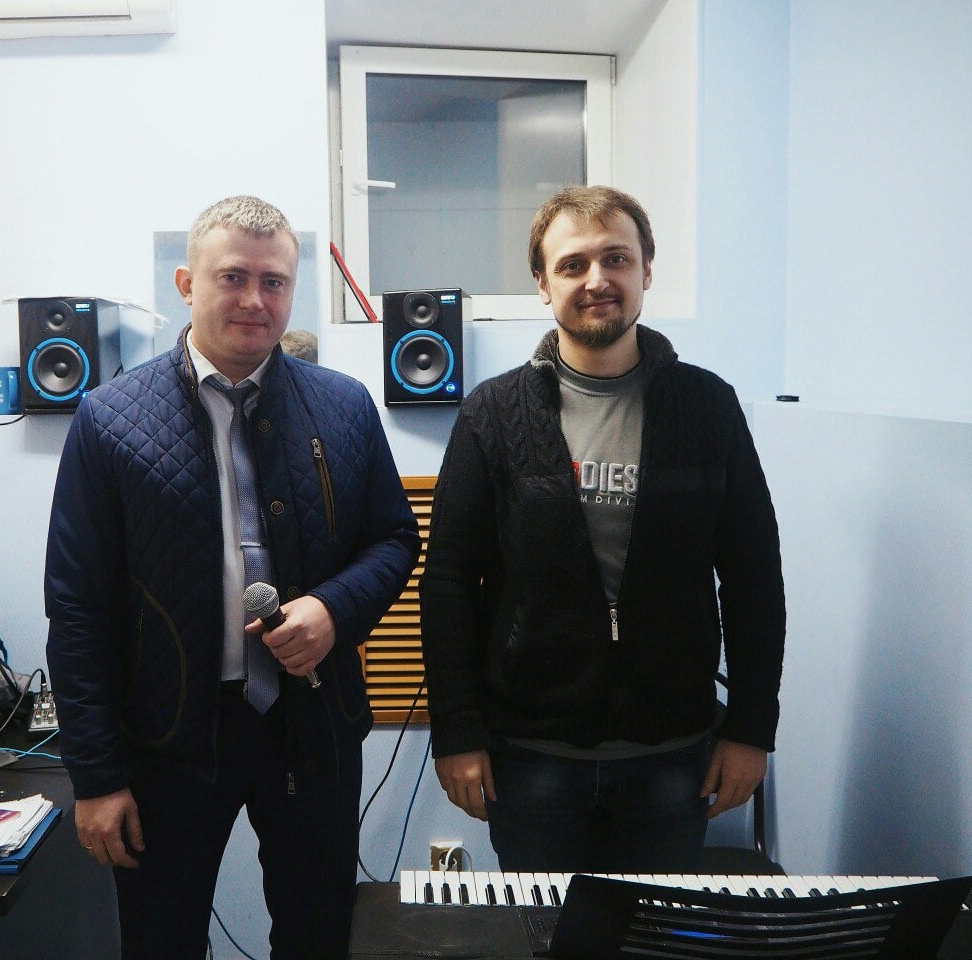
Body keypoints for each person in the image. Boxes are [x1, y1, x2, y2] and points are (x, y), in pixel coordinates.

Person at [44, 195, 419, 959]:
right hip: (168, 739)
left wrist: (332, 610)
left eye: (274, 282)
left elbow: (392, 539)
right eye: (233, 277)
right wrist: (97, 776)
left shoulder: (344, 408)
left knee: (318, 938)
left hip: (311, 727)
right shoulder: (109, 421)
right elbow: (79, 610)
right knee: (162, 942)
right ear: (187, 284)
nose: (255, 299)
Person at [419, 185, 785, 874]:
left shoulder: (707, 407)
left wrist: (751, 727)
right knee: (545, 928)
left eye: (616, 258)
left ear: (647, 270)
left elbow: (753, 576)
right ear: (542, 283)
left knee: (650, 928)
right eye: (573, 264)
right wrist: (457, 731)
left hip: (673, 753)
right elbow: (447, 584)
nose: (597, 280)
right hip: (530, 755)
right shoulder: (492, 414)